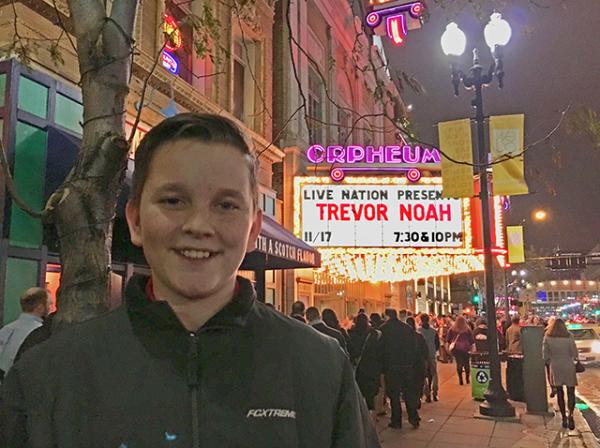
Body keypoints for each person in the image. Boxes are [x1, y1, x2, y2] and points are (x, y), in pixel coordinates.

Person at [1, 113, 380, 447]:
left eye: (226, 205)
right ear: (134, 220)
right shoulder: (48, 378)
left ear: (252, 230)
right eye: (173, 201)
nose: (199, 226)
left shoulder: (321, 369)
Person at [379, 308, 420, 429]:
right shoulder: (406, 328)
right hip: (406, 365)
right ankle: (414, 418)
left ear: (387, 316)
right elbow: (414, 347)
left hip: (391, 367)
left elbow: (381, 350)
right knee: (408, 393)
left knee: (394, 395)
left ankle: (396, 420)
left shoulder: (384, 329)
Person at [0, 287, 52, 382]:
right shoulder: (43, 334)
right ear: (40, 308)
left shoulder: (6, 330)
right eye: (49, 304)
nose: (51, 308)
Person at [543, 318, 579, 430]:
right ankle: (571, 415)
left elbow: (545, 356)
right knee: (571, 392)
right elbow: (574, 352)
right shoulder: (569, 336)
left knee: (560, 393)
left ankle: (563, 417)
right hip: (568, 366)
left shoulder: (547, 337)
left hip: (556, 367)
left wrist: (551, 362)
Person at [348, 313, 382, 420]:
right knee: (371, 394)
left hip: (358, 369)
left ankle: (360, 417)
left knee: (359, 393)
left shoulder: (351, 333)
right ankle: (372, 418)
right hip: (372, 368)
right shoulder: (374, 334)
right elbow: (379, 352)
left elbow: (350, 351)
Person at [406, 317, 429, 409]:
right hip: (419, 363)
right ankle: (417, 398)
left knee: (410, 383)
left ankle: (412, 400)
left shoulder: (404, 338)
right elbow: (425, 351)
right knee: (419, 382)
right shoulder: (419, 336)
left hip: (408, 364)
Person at [446, 316, 475, 385]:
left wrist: (448, 348)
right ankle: (467, 379)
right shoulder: (467, 329)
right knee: (467, 363)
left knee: (459, 363)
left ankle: (460, 379)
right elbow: (471, 340)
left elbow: (448, 339)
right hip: (466, 348)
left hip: (456, 348)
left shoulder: (452, 329)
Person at [418, 314, 440, 402]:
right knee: (434, 374)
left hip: (423, 356)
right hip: (432, 354)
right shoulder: (434, 331)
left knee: (424, 376)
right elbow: (437, 344)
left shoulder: (419, 331)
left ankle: (427, 394)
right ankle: (435, 393)